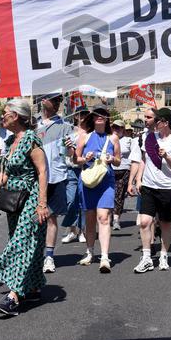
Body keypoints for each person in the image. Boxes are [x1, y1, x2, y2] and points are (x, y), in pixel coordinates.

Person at [0, 98, 50, 317]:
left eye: (5, 113)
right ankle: (33, 286)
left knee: (22, 244)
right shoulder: (11, 140)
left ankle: (13, 296)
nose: (2, 116)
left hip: (30, 199)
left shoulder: (31, 139)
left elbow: (42, 171)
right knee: (22, 241)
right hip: (13, 201)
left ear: (17, 116)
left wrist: (42, 204)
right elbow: (4, 173)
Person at [130, 107, 171, 273]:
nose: (153, 122)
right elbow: (144, 161)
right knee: (145, 221)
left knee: (166, 223)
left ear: (165, 122)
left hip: (168, 188)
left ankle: (163, 255)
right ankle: (146, 258)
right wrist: (138, 179)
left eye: (157, 120)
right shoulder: (149, 137)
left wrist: (166, 156)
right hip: (149, 186)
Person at [34, 93, 77, 273]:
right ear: (44, 101)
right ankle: (34, 255)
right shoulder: (33, 124)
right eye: (55, 100)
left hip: (55, 177)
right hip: (34, 178)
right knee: (34, 219)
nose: (59, 103)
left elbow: (70, 155)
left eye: (60, 100)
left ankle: (49, 257)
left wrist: (69, 147)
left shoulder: (66, 127)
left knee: (51, 218)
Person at [73, 106, 120, 272]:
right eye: (97, 115)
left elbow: (119, 161)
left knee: (104, 217)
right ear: (92, 119)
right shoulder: (84, 136)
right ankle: (89, 252)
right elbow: (75, 159)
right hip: (88, 181)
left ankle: (105, 257)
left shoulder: (113, 138)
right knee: (90, 217)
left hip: (106, 181)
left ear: (107, 119)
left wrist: (112, 158)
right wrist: (84, 158)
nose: (100, 117)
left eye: (103, 115)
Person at [60, 107, 89, 245]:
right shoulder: (69, 131)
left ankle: (82, 230)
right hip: (71, 169)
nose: (83, 116)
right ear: (75, 116)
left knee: (83, 201)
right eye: (80, 114)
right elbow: (64, 153)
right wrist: (68, 148)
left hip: (86, 169)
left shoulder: (91, 132)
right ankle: (72, 230)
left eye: (85, 114)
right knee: (71, 201)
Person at [111, 119, 132, 230]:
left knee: (118, 195)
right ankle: (108, 216)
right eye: (114, 127)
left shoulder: (129, 140)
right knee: (109, 195)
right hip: (109, 170)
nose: (116, 129)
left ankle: (116, 219)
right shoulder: (109, 139)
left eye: (119, 127)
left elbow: (135, 158)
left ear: (123, 129)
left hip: (123, 171)